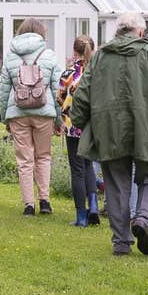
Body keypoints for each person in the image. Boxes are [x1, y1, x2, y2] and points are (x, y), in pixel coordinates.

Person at [71, 12, 148, 256]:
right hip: (146, 130)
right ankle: (142, 220)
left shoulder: (100, 56)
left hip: (109, 130)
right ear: (141, 32)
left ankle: (121, 242)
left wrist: (80, 121)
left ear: (118, 31)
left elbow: (81, 94)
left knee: (116, 185)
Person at [0, 18, 63, 216]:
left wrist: (5, 118)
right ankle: (44, 200)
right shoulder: (49, 56)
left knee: (24, 160)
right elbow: (57, 89)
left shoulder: (10, 57)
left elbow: (4, 91)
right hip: (44, 112)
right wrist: (59, 119)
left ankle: (28, 204)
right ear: (41, 33)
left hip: (17, 113)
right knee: (43, 156)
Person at [58, 35, 100, 227]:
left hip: (73, 125)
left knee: (77, 169)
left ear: (75, 52)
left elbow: (60, 97)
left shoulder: (69, 74)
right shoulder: (99, 72)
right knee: (89, 165)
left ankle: (81, 216)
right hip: (93, 125)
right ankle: (93, 207)